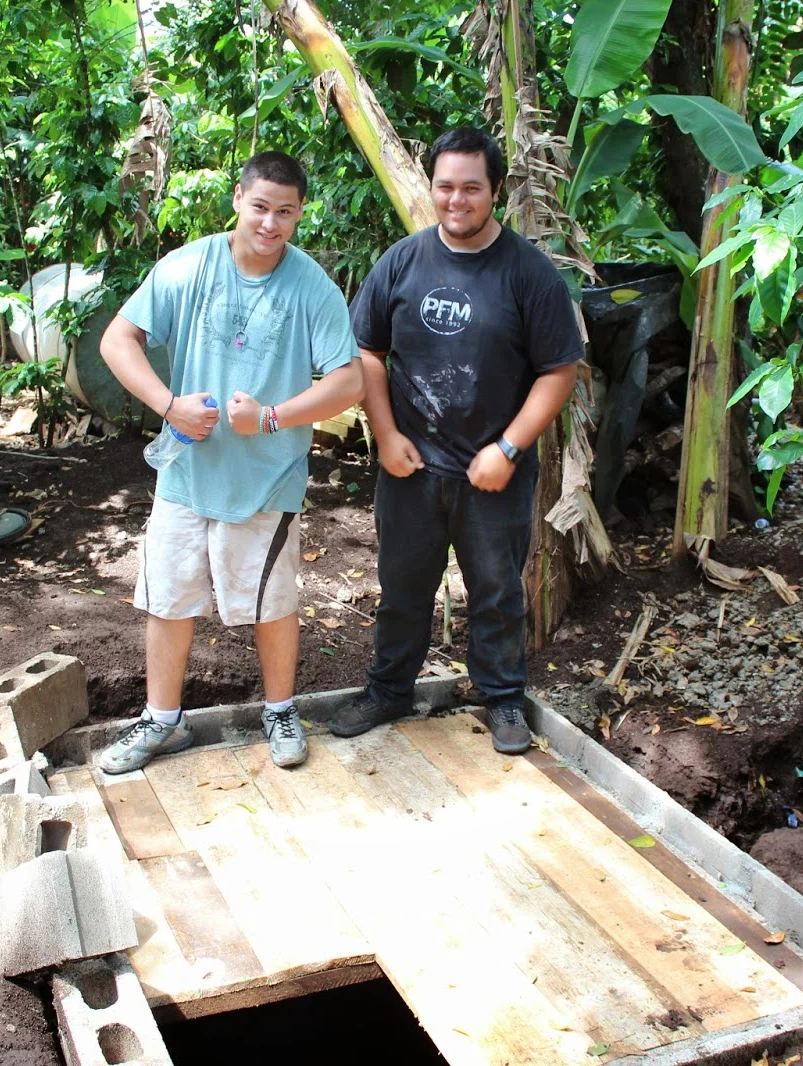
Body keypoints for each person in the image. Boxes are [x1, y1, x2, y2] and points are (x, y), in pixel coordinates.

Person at [95, 150, 363, 773]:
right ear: (238, 199)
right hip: (185, 471)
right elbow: (117, 339)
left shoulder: (311, 287)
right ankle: (161, 721)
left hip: (267, 478)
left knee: (272, 601)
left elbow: (348, 381)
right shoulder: (188, 266)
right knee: (168, 597)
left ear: (300, 214)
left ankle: (281, 711)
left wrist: (271, 417)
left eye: (285, 212)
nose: (270, 223)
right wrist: (170, 405)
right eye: (261, 206)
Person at [331, 127, 583, 755]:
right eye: (445, 186)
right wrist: (386, 434)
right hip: (411, 466)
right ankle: (389, 689)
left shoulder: (529, 274)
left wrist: (509, 449)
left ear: (496, 191)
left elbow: (559, 371)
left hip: (493, 470)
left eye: (471, 188)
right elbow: (366, 351)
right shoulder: (402, 261)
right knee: (402, 588)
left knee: (497, 593)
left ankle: (502, 698)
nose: (456, 200)